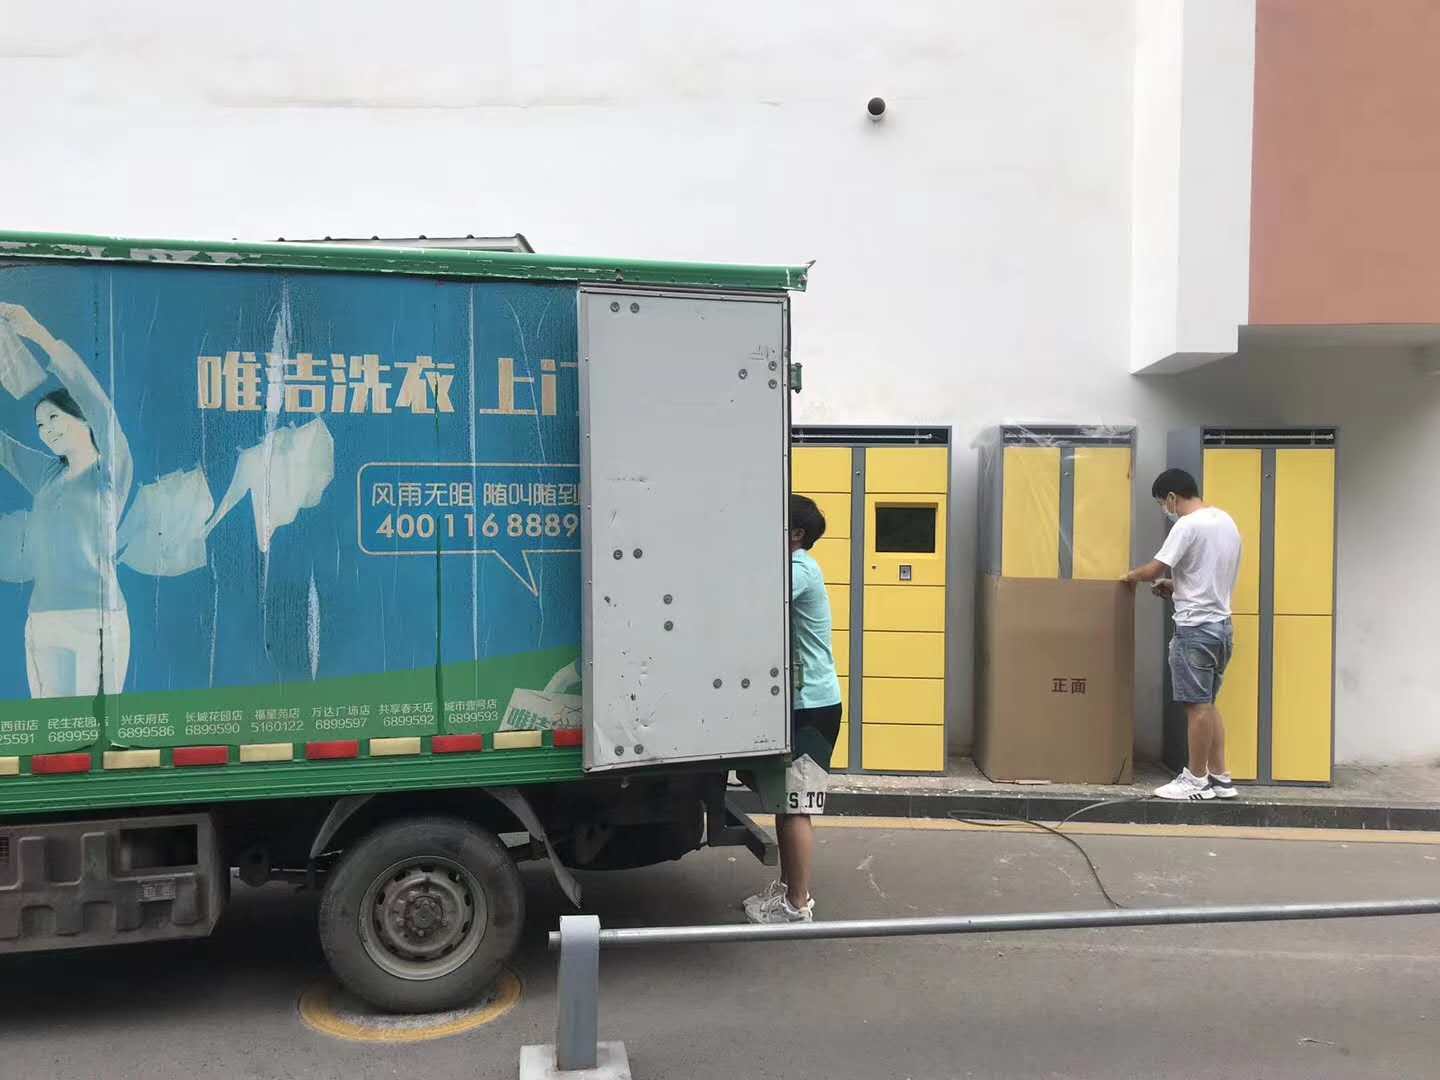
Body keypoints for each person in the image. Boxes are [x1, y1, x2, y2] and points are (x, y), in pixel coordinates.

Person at [0, 303, 133, 698]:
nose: (46, 430)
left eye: (54, 418)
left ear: (83, 419)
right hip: (44, 620)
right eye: (40, 425)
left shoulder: (110, 470)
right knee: (52, 729)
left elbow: (94, 397)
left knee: (97, 731)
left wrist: (36, 332)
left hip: (98, 621)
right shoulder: (46, 475)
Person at [744, 494, 843, 924]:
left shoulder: (799, 570)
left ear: (797, 534)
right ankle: (788, 892)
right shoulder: (794, 567)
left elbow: (754, 597)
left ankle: (797, 904)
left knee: (797, 806)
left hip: (814, 706)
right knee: (786, 804)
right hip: (802, 703)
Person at [1124, 468, 1241, 801]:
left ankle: (1196, 779)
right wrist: (1176, 587)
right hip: (1220, 628)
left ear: (1173, 497)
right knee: (1208, 704)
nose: (1166, 509)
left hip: (1194, 630)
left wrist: (1128, 576)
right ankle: (1220, 777)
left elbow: (1153, 569)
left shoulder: (1187, 525)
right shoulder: (1226, 522)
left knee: (1196, 708)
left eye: (1163, 503)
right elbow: (1208, 577)